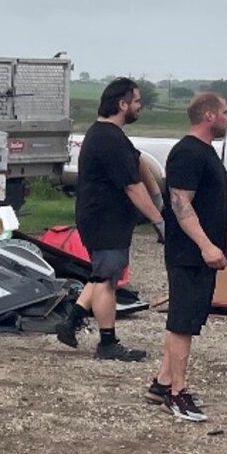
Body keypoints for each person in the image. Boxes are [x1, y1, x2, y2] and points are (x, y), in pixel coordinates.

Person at [57, 77, 166, 361]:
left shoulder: (111, 136)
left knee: (101, 274)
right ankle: (107, 344)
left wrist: (157, 198)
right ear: (122, 104)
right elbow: (132, 186)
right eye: (137, 101)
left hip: (104, 218)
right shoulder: (108, 139)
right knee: (107, 280)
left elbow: (139, 160)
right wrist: (159, 221)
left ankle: (71, 321)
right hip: (104, 219)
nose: (140, 107)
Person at [149, 92, 227, 422]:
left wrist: (218, 244)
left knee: (188, 318)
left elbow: (208, 204)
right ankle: (177, 394)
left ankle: (162, 382)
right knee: (182, 323)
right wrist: (204, 246)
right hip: (188, 253)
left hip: (202, 251)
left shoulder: (205, 152)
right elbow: (181, 205)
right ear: (209, 115)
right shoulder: (187, 152)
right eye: (225, 112)